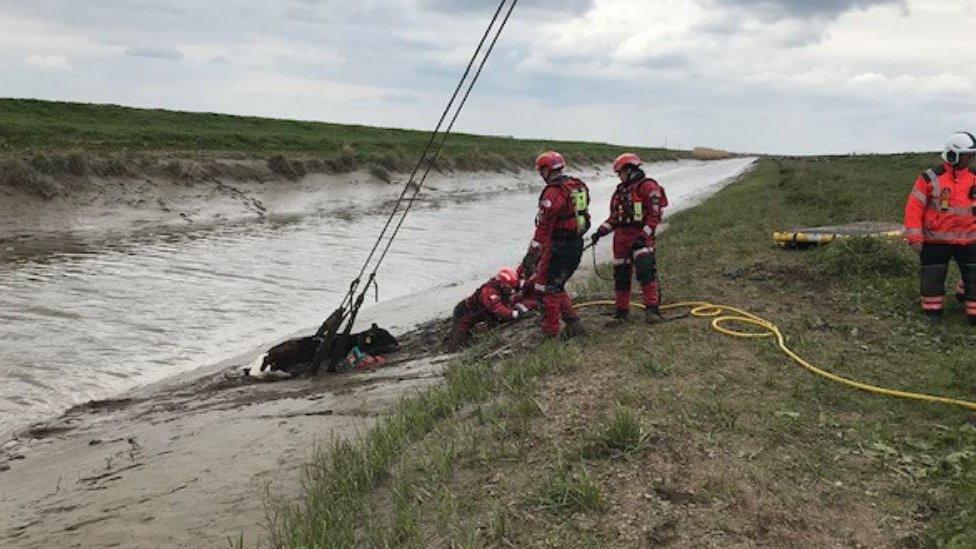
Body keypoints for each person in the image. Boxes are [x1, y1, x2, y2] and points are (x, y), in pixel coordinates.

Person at [903, 131, 976, 323]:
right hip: (935, 240)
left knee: (974, 275)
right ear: (953, 155)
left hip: (969, 239)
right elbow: (913, 209)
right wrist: (915, 238)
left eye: (972, 155)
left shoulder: (974, 178)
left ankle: (972, 311)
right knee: (932, 278)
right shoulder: (929, 179)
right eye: (967, 155)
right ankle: (932, 312)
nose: (970, 159)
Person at [590, 153, 668, 324]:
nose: (619, 176)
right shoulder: (619, 192)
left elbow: (654, 217)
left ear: (630, 170)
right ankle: (621, 313)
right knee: (621, 277)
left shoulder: (648, 187)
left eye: (620, 173)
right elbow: (615, 218)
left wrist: (643, 236)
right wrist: (600, 231)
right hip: (621, 239)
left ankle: (652, 310)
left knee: (645, 272)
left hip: (640, 236)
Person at [521, 151, 591, 338]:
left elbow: (544, 226)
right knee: (556, 285)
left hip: (559, 246)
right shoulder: (578, 186)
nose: (540, 175)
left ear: (547, 170)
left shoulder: (553, 192)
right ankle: (574, 324)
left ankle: (550, 333)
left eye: (541, 171)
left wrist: (533, 252)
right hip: (575, 244)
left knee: (544, 288)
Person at [448, 267, 530, 349]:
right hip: (465, 313)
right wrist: (513, 314)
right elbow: (498, 308)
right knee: (459, 340)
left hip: (482, 312)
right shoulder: (489, 292)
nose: (512, 291)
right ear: (502, 284)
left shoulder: (504, 286)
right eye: (509, 288)